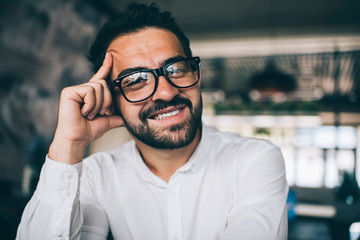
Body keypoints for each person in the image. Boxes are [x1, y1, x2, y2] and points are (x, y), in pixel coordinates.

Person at [16, 3, 288, 240]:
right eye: (136, 80)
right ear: (112, 99)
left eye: (177, 69)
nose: (167, 92)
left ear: (197, 74)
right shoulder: (96, 176)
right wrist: (69, 144)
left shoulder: (255, 159)